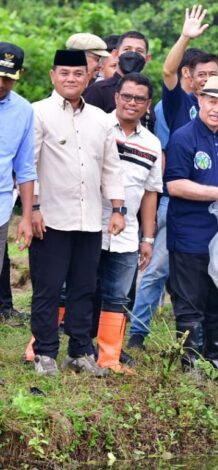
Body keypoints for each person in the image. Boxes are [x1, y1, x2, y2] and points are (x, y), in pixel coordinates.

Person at [29, 49, 125, 376]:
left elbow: (111, 167)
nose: (71, 79)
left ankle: (80, 351)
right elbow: (28, 166)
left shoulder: (101, 119)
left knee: (85, 287)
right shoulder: (37, 113)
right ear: (53, 76)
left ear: (88, 77)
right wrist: (33, 208)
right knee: (48, 288)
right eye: (64, 73)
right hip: (50, 218)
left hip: (90, 219)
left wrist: (118, 208)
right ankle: (45, 354)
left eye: (78, 73)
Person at [164, 76, 218, 374]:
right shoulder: (183, 137)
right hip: (189, 235)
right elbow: (175, 185)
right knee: (190, 303)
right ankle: (192, 366)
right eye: (212, 102)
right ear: (200, 100)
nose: (217, 109)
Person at [126, 47, 204, 351]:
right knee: (157, 267)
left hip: (205, 203)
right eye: (202, 73)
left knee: (196, 271)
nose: (207, 79)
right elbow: (160, 154)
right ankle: (137, 333)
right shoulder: (172, 105)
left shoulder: (207, 106)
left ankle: (196, 336)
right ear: (188, 73)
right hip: (173, 199)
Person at [93, 73, 162, 373]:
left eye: (139, 99)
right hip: (89, 224)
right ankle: (64, 347)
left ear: (148, 104)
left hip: (127, 231)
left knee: (119, 295)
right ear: (116, 97)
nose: (132, 103)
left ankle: (109, 355)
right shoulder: (96, 127)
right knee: (78, 288)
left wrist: (147, 238)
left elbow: (150, 193)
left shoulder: (152, 143)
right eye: (127, 96)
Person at [0, 42, 37, 319]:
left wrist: (26, 217)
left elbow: (25, 168)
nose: (2, 84)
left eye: (9, 78)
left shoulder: (23, 111)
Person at [162, 5, 218, 134]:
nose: (207, 79)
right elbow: (168, 72)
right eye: (201, 74)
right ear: (191, 79)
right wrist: (185, 37)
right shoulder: (181, 102)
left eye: (213, 74)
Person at [83, 31, 152, 113]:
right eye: (127, 49)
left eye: (139, 51)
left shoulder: (146, 92)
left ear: (147, 58)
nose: (132, 54)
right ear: (115, 54)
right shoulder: (98, 91)